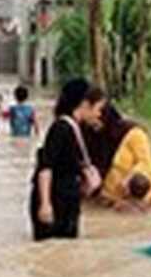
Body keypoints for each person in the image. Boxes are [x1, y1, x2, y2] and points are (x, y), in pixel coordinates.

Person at [29, 79, 107, 241]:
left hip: (67, 202)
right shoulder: (60, 129)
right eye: (98, 109)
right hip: (55, 202)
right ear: (85, 104)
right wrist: (45, 204)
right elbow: (45, 167)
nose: (99, 114)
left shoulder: (75, 128)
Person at [84, 104, 151, 211]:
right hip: (110, 201)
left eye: (97, 124)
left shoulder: (135, 134)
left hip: (139, 200)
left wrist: (128, 180)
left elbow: (144, 163)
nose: (95, 128)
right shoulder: (96, 138)